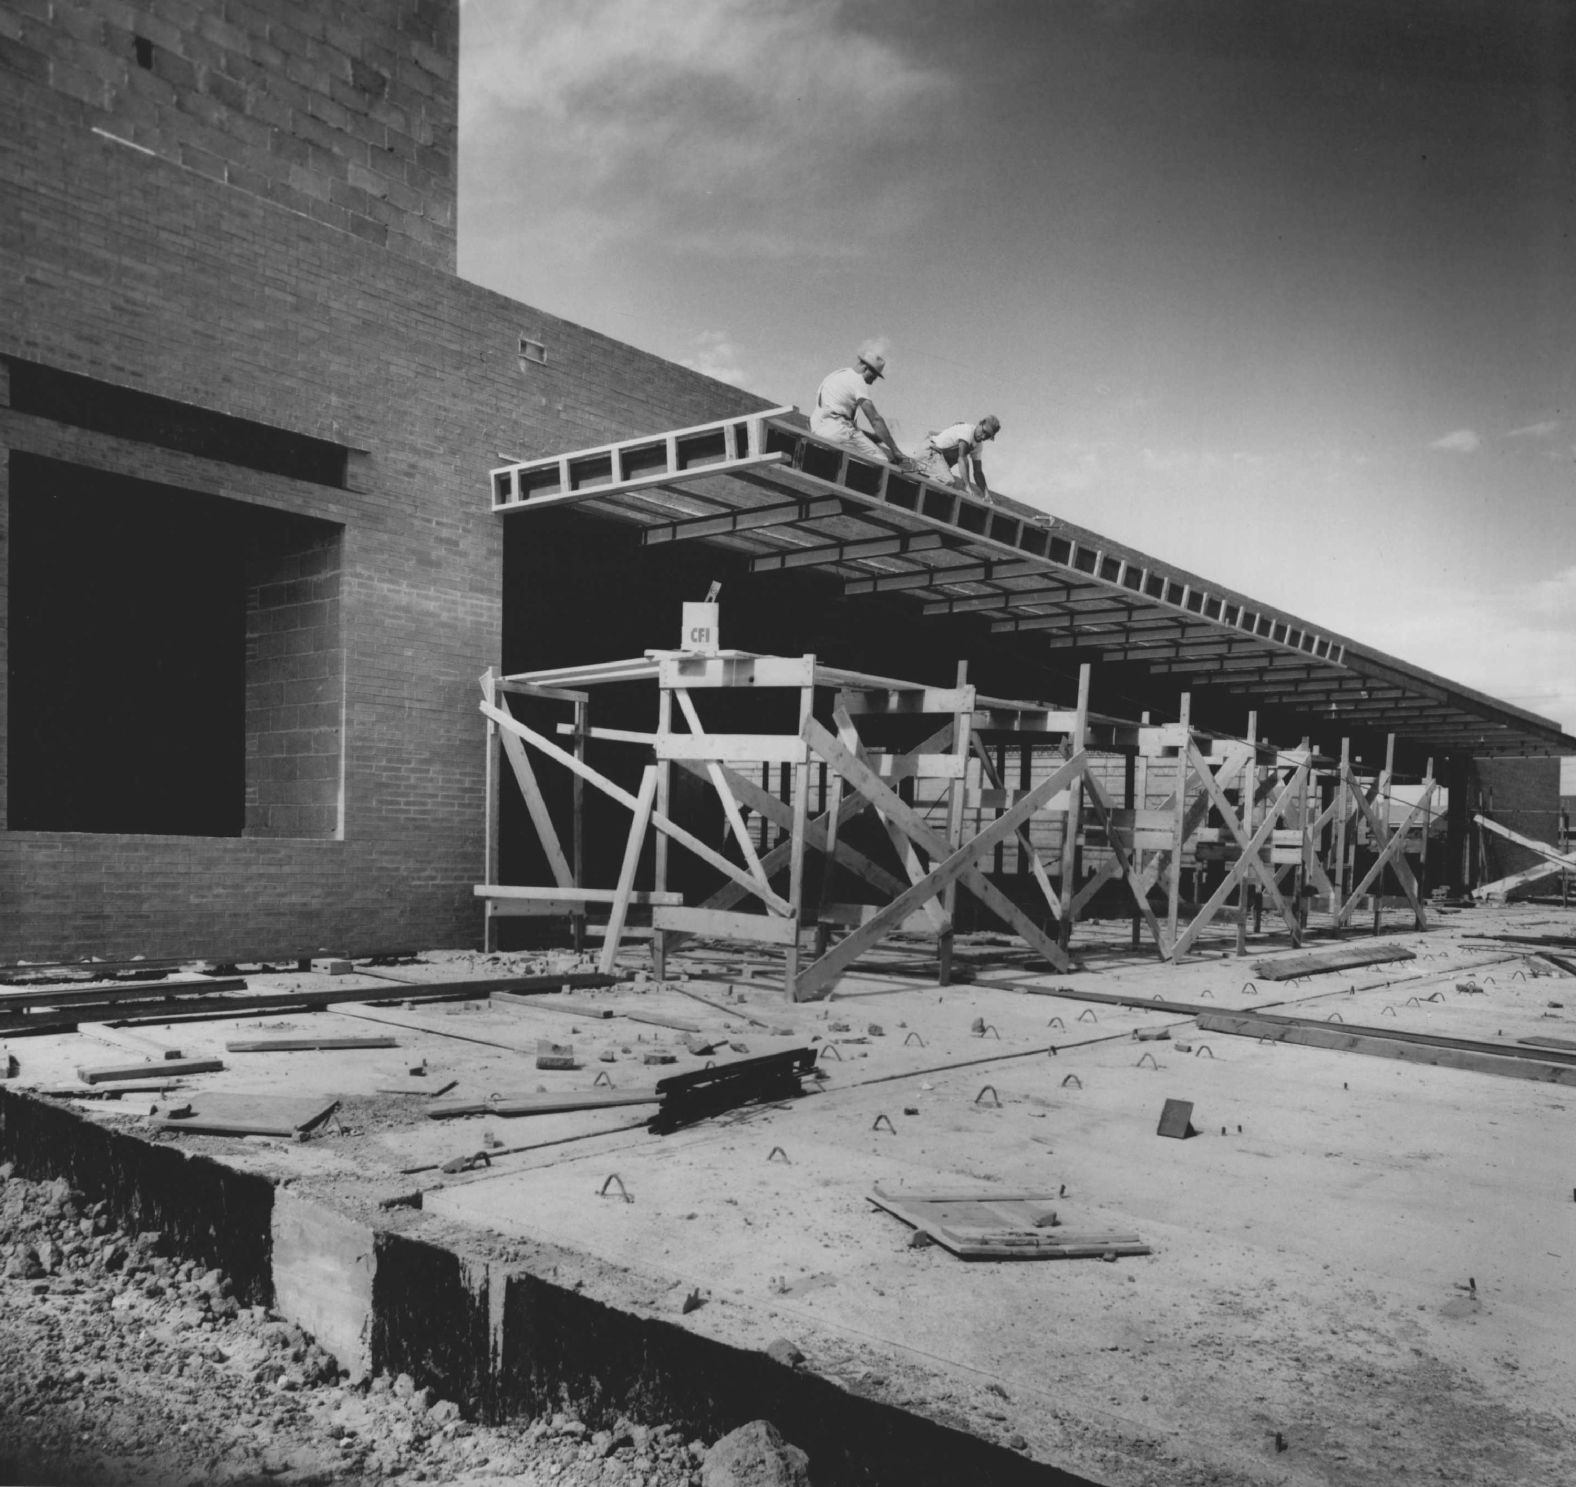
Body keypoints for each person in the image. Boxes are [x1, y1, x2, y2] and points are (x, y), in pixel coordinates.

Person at [810, 345, 906, 464]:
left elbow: (838, 418)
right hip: (837, 432)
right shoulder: (857, 381)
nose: (872, 382)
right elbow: (875, 419)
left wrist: (873, 438)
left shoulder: (838, 374)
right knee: (881, 460)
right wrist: (895, 450)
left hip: (818, 428)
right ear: (866, 368)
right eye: (873, 377)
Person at [915, 415, 1000, 499]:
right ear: (980, 423)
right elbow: (961, 458)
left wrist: (986, 494)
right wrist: (967, 486)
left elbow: (978, 472)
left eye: (988, 436)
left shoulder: (978, 446)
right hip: (929, 451)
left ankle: (921, 486)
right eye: (984, 431)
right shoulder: (968, 431)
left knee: (948, 489)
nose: (983, 436)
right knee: (948, 480)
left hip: (936, 458)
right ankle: (916, 489)